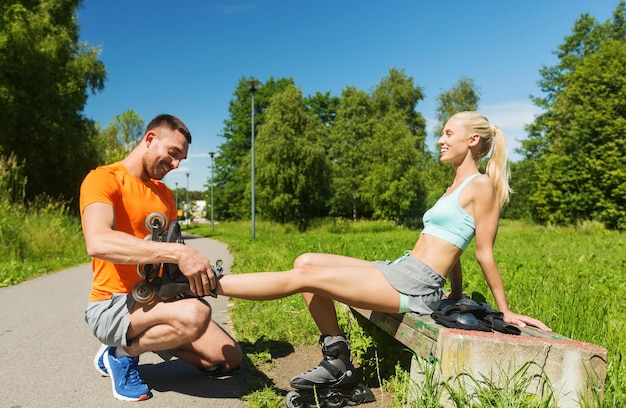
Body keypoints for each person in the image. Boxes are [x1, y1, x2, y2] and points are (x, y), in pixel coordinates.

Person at [212, 111, 551, 393]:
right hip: (403, 268)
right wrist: (458, 291)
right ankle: (338, 358)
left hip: (415, 285)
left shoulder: (481, 186)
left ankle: (211, 284)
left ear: (472, 140)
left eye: (448, 133)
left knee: (307, 277)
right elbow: (454, 244)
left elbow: (483, 253)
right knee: (306, 261)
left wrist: (505, 312)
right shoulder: (454, 187)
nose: (440, 140)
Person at [80, 114, 242, 402]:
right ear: (150, 139)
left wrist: (199, 276)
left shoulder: (165, 194)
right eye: (173, 153)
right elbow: (98, 241)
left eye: (182, 159)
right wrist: (178, 252)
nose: (177, 164)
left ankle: (139, 342)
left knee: (228, 359)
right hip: (112, 303)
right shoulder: (103, 179)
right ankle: (121, 353)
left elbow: (170, 263)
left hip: (157, 301)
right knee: (196, 314)